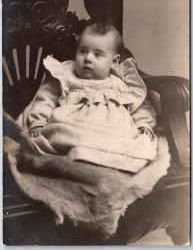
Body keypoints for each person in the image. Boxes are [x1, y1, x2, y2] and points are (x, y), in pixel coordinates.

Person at [27, 22, 157, 172]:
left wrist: (144, 124)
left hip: (110, 131)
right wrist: (38, 121)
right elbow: (45, 98)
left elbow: (139, 105)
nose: (88, 58)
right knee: (67, 136)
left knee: (128, 142)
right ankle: (80, 157)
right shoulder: (65, 74)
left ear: (114, 61)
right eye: (83, 51)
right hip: (74, 126)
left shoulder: (119, 83)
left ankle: (104, 161)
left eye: (97, 54)